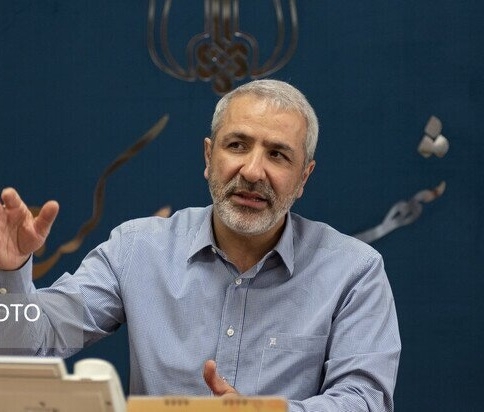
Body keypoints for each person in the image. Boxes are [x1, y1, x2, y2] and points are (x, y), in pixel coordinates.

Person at [0, 80, 401, 411]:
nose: (252, 171)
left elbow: (365, 401)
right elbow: (30, 345)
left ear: (303, 178)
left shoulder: (354, 271)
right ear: (209, 157)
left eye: (277, 155)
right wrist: (10, 271)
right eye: (237, 145)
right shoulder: (137, 249)